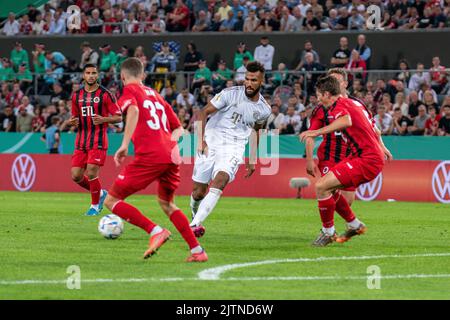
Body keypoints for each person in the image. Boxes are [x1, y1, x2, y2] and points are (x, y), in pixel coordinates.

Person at [103, 57, 207, 262]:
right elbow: (179, 129)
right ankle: (197, 252)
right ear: (143, 75)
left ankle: (155, 231)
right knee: (167, 204)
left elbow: (132, 110)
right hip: (171, 154)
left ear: (122, 77)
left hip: (151, 156)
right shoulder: (157, 96)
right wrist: (168, 142)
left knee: (111, 200)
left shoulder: (129, 91)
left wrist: (124, 144)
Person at [300, 75, 386, 246]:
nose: (318, 99)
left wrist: (317, 132)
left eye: (318, 95)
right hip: (362, 156)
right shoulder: (354, 103)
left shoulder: (340, 105)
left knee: (321, 186)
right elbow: (373, 128)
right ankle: (354, 225)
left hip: (366, 159)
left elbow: (346, 121)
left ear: (326, 94)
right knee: (328, 188)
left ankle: (328, 232)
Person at [189, 61, 271, 237]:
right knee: (198, 192)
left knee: (221, 179)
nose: (249, 83)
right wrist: (201, 141)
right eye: (247, 79)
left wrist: (252, 159)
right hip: (211, 139)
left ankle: (194, 224)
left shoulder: (264, 109)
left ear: (261, 81)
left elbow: (256, 132)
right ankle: (195, 215)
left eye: (254, 80)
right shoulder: (229, 94)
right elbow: (203, 112)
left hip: (234, 147)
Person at [66, 64, 122, 216]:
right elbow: (75, 117)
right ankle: (101, 193)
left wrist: (104, 119)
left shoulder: (106, 94)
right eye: (88, 73)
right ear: (83, 76)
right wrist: (72, 122)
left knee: (91, 172)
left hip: (98, 140)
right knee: (76, 176)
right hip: (81, 142)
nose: (91, 76)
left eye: (94, 73)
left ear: (98, 75)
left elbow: (119, 117)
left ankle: (95, 205)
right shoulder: (76, 95)